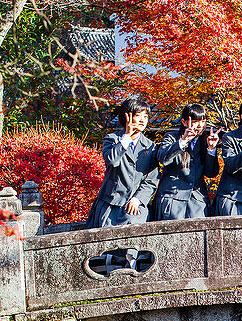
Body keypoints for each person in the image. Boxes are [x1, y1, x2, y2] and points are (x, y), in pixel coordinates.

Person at [85, 96, 159, 231]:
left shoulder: (150, 146)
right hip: (110, 203)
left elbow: (151, 180)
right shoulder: (113, 139)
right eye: (138, 116)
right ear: (127, 117)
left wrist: (138, 199)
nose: (143, 120)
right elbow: (112, 160)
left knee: (132, 247)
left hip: (135, 206)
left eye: (146, 116)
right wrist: (126, 138)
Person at [154, 103, 220, 219]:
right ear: (184, 122)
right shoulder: (171, 137)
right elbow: (163, 158)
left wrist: (211, 149)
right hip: (172, 199)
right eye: (196, 121)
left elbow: (211, 173)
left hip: (196, 201)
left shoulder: (205, 140)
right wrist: (183, 141)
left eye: (203, 121)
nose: (200, 125)